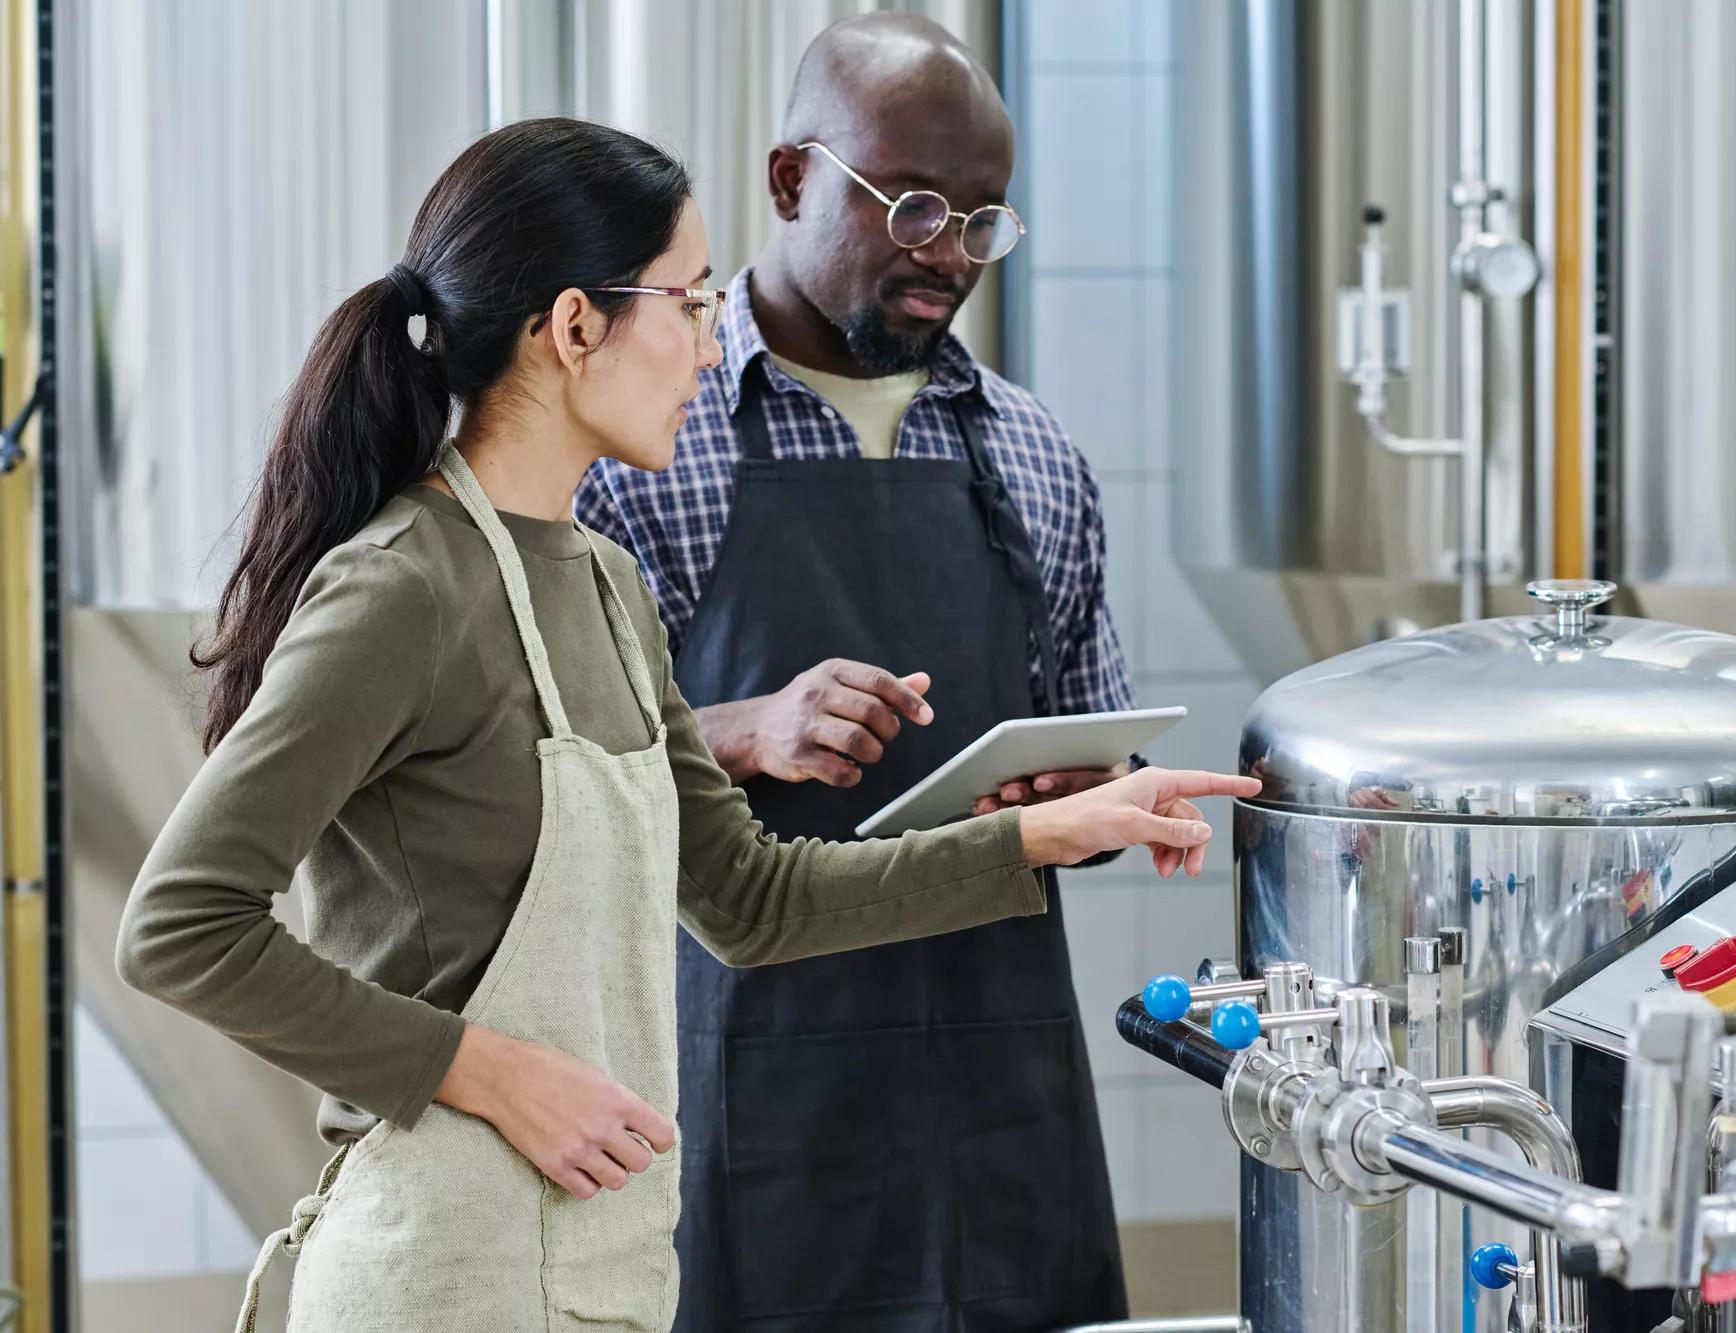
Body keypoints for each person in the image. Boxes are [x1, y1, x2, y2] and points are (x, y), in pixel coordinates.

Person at [113, 118, 1254, 1333]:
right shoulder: (403, 587)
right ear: (572, 327)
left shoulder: (601, 580)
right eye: (690, 303)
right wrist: (492, 1072)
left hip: (597, 1267)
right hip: (441, 1274)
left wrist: (1051, 829)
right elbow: (180, 926)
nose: (713, 347)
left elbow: (751, 900)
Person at [573, 16, 1146, 1329]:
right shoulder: (652, 439)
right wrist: (741, 730)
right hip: (747, 1091)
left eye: (984, 222)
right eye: (917, 208)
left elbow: (1094, 751)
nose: (949, 257)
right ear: (791, 182)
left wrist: (1088, 783)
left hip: (1005, 1099)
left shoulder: (1036, 456)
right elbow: (554, 771)